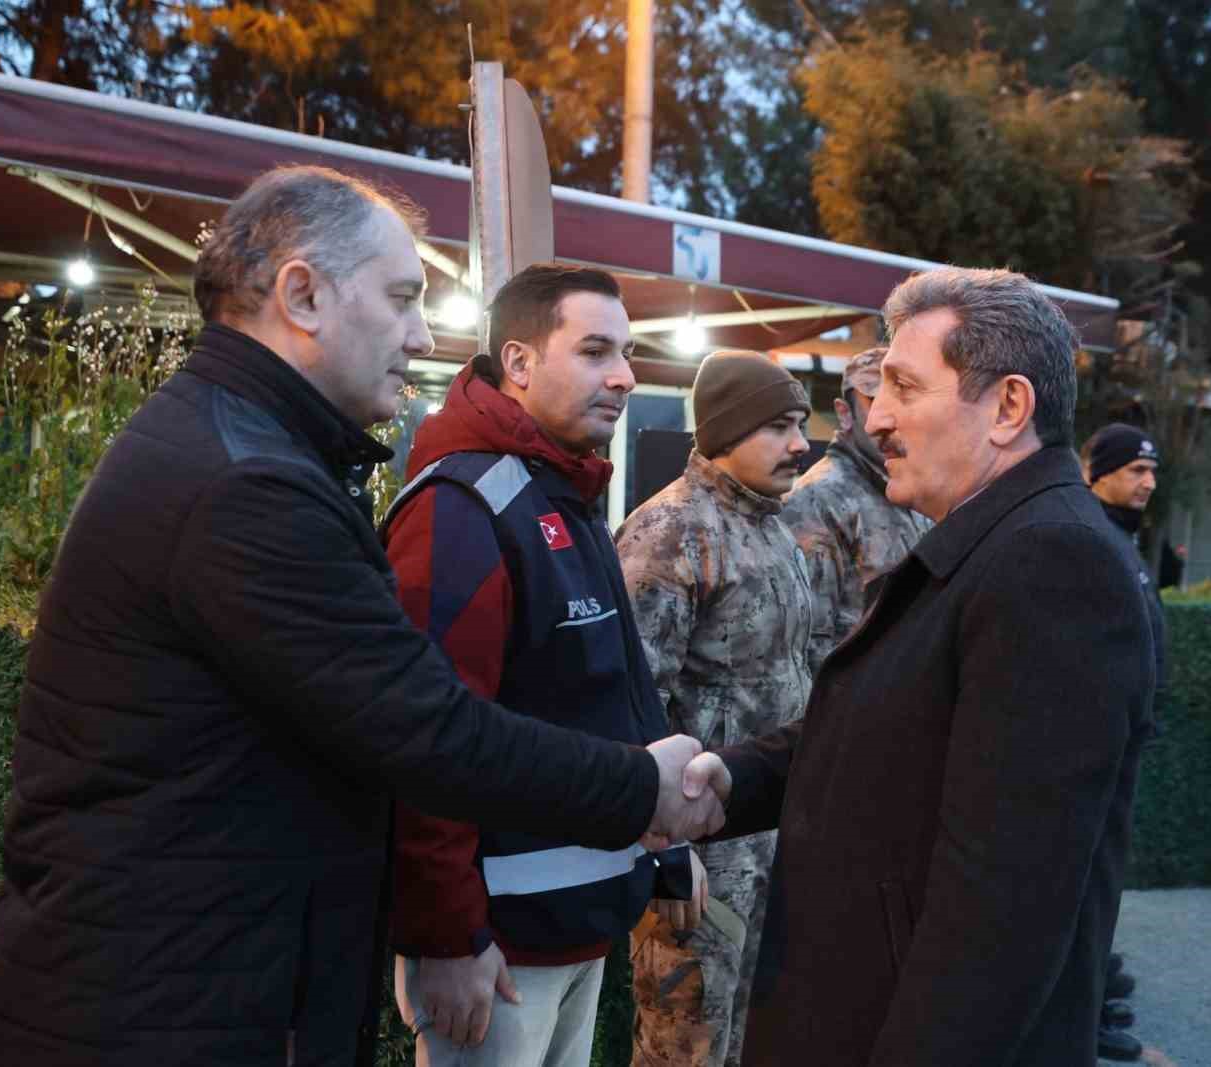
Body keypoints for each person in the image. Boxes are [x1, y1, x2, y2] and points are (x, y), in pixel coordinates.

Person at [0, 166, 720, 1067]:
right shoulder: (247, 484)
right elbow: (424, 727)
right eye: (402, 298)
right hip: (168, 1015)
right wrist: (643, 791)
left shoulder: (242, 447)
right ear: (302, 294)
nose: (423, 333)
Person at [682, 267, 1156, 1067]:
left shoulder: (1054, 564)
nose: (879, 417)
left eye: (904, 384)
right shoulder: (995, 542)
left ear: (1008, 407)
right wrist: (725, 780)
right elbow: (882, 733)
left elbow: (1001, 913)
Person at [380, 264, 702, 1066]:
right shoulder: (463, 506)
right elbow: (426, 744)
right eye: (595, 351)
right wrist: (448, 936)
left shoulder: (560, 490)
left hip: (574, 927)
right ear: (519, 363)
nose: (625, 376)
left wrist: (658, 843)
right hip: (497, 952)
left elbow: (604, 695)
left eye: (626, 352)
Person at [616, 350, 814, 1067]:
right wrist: (665, 858)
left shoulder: (774, 528)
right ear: (726, 430)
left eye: (801, 424)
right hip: (694, 860)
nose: (801, 443)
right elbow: (634, 704)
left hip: (766, 841)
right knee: (682, 1046)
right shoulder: (668, 533)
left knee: (748, 1039)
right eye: (778, 426)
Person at [1080, 422, 1168, 1063]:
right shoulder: (1089, 537)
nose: (1148, 483)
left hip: (1120, 747)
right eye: (1136, 470)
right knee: (1083, 885)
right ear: (1097, 471)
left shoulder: (1123, 541)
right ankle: (1084, 1011)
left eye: (1152, 473)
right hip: (1090, 751)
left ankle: (1094, 994)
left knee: (1100, 883)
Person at [781, 346, 932, 674]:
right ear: (844, 413)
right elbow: (807, 644)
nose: (888, 418)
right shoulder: (816, 500)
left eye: (904, 401)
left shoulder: (911, 487)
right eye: (875, 401)